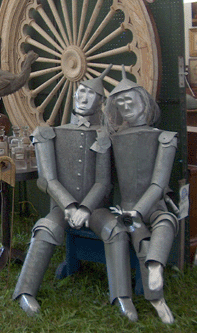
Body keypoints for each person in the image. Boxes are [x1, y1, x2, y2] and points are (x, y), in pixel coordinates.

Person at [13, 65, 113, 316]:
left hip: (95, 209)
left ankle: (121, 296)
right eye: (80, 91)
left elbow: (104, 182)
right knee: (45, 229)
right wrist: (69, 206)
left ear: (100, 102)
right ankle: (25, 292)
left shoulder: (103, 136)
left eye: (90, 94)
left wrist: (86, 208)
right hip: (61, 207)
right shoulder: (50, 133)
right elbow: (46, 180)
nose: (82, 96)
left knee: (115, 230)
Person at [89, 67, 178, 324]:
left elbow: (159, 182)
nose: (127, 106)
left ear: (144, 101)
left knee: (165, 222)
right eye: (121, 102)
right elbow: (103, 180)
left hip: (151, 204)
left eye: (131, 100)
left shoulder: (164, 138)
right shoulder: (112, 139)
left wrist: (141, 209)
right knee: (141, 238)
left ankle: (155, 266)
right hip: (127, 209)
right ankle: (156, 299)